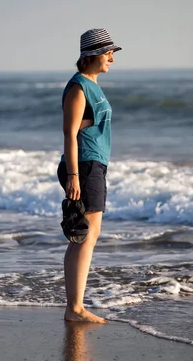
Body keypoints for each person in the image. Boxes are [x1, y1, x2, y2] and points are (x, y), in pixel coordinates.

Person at [57, 28, 121, 323]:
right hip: (83, 166)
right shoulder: (79, 86)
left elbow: (85, 126)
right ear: (92, 54)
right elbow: (69, 133)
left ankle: (75, 307)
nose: (112, 57)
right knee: (86, 237)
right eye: (108, 52)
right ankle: (76, 308)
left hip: (91, 165)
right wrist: (73, 175)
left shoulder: (91, 84)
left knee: (84, 235)